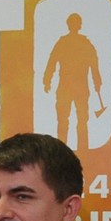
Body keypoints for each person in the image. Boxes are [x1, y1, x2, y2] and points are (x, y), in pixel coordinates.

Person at [43, 12, 104, 148]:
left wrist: (97, 81)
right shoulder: (81, 44)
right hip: (71, 88)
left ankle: (78, 149)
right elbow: (52, 62)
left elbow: (94, 65)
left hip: (75, 88)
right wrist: (47, 79)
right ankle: (73, 149)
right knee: (72, 120)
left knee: (74, 120)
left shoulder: (69, 43)